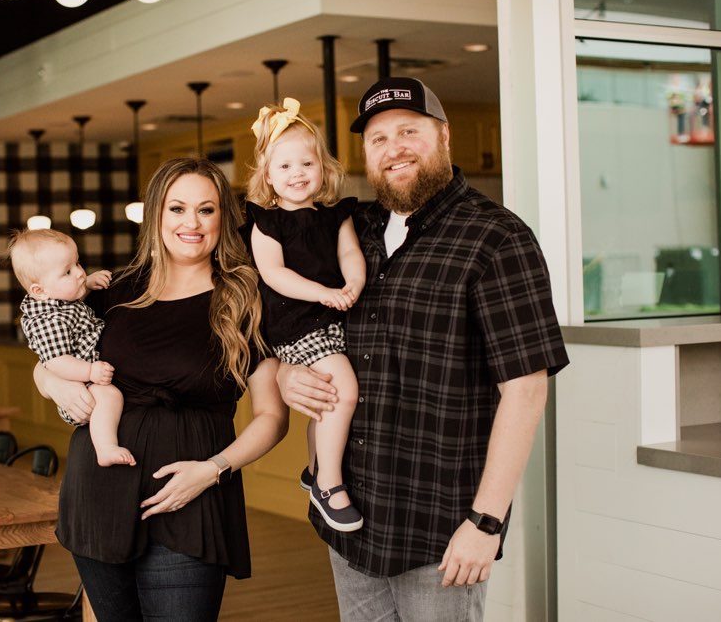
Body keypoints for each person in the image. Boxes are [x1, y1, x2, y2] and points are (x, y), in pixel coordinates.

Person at [277, 78, 569, 621]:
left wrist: (486, 522)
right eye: (379, 138)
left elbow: (527, 391)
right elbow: (290, 316)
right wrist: (283, 378)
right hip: (350, 522)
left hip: (439, 531)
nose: (395, 149)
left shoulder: (497, 238)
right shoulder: (350, 229)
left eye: (409, 131)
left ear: (444, 137)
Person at [33, 157, 289, 622]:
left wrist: (213, 470)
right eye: (177, 208)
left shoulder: (247, 297)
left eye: (206, 210)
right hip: (98, 495)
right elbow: (47, 347)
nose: (191, 223)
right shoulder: (115, 288)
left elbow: (272, 417)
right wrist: (49, 381)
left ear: (222, 219)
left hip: (190, 496)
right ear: (156, 214)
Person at [243, 97, 365, 532]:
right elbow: (273, 274)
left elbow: (349, 252)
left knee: (321, 405)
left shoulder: (335, 215)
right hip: (295, 321)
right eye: (285, 167)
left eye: (306, 164)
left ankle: (315, 469)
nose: (297, 174)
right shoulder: (266, 222)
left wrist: (352, 284)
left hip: (331, 313)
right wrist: (324, 293)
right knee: (342, 393)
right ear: (268, 177)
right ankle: (329, 484)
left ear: (323, 167)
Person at [8, 228, 133, 467]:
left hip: (82, 378)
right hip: (79, 387)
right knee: (110, 396)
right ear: (39, 291)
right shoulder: (49, 320)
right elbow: (55, 361)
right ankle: (105, 447)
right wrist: (90, 372)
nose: (78, 273)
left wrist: (88, 283)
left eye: (77, 264)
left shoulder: (58, 298)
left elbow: (72, 295)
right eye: (67, 271)